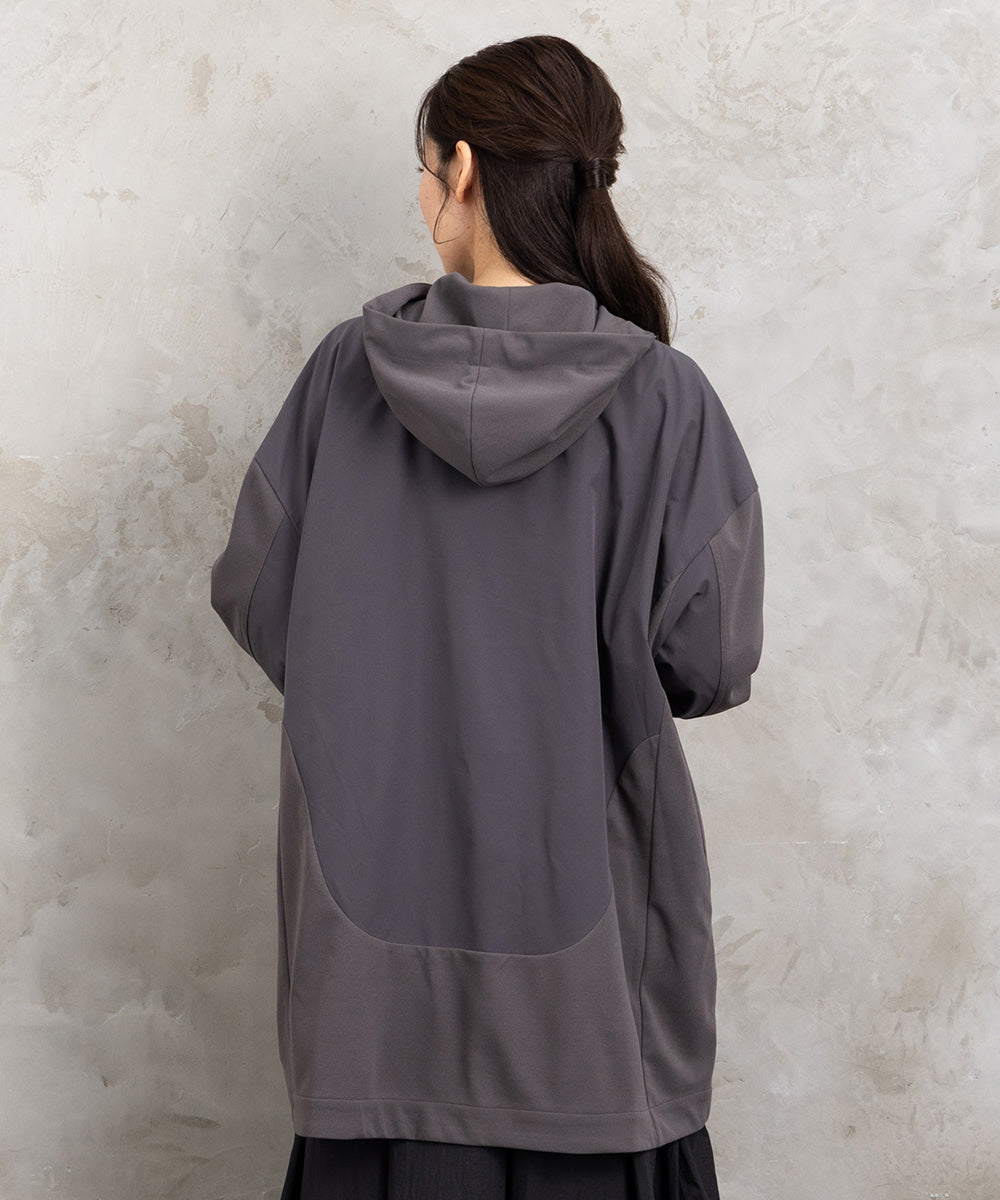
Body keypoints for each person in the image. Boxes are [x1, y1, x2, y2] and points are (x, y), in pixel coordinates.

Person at [210, 33, 764, 1200]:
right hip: (592, 1029)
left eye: (423, 169)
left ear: (461, 169)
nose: (422, 196)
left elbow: (258, 597)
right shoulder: (664, 398)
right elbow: (709, 659)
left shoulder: (341, 380)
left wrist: (374, 671)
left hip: (373, 1038)